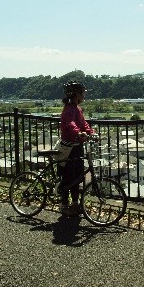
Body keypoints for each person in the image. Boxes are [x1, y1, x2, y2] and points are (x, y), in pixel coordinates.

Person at [58, 81, 94, 216]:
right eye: (83, 93)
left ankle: (75, 203)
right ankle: (64, 204)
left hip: (77, 146)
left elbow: (83, 123)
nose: (84, 95)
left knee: (77, 176)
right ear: (76, 94)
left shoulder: (77, 109)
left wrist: (90, 131)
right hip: (68, 148)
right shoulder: (69, 109)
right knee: (68, 176)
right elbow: (70, 124)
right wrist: (79, 133)